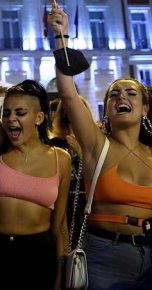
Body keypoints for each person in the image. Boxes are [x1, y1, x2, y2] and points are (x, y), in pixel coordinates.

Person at [48, 0, 152, 289]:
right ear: (107, 108)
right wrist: (61, 37)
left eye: (130, 93)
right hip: (104, 259)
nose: (122, 97)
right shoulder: (97, 145)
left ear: (145, 108)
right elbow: (69, 94)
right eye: (114, 94)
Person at [0, 0, 71, 289]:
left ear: (39, 118)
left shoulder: (59, 160)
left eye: (21, 112)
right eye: (8, 112)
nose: (11, 118)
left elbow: (59, 225)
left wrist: (60, 273)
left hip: (36, 255)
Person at [50, 96, 90, 250]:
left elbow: (99, 175)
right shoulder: (54, 145)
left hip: (84, 205)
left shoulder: (93, 144)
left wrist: (81, 153)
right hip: (61, 204)